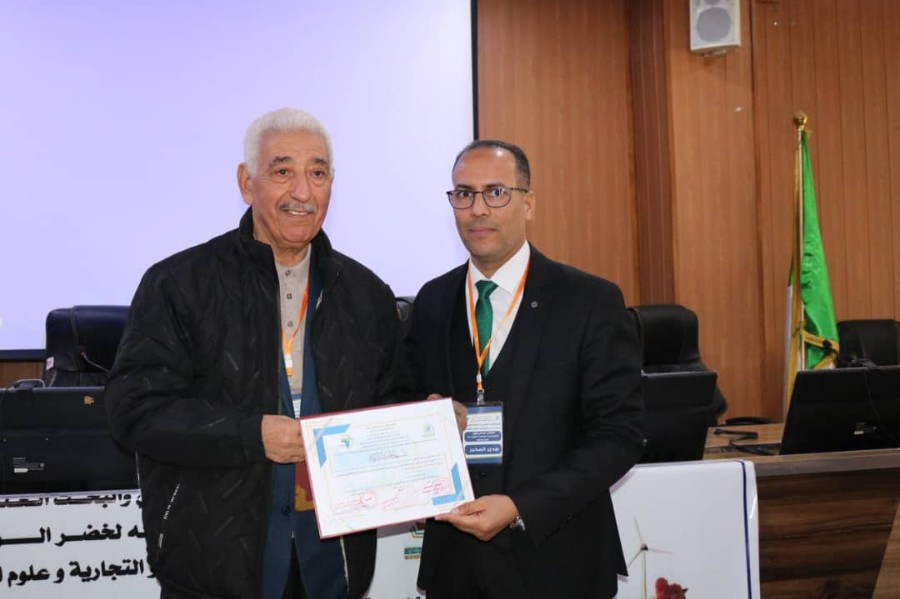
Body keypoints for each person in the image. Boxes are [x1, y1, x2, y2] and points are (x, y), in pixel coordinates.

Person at [106, 108, 412, 598]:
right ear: (246, 183)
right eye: (282, 171)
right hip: (215, 568)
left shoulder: (366, 294)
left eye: (317, 173)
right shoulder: (179, 284)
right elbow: (134, 411)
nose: (302, 192)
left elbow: (392, 402)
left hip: (331, 567)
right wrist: (251, 435)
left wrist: (427, 423)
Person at [406, 140, 644, 598]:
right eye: (464, 194)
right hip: (454, 570)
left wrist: (520, 506)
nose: (478, 209)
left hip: (559, 564)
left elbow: (620, 437)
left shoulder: (590, 301)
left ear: (528, 202)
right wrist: (424, 416)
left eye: (496, 192)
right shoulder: (432, 301)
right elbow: (408, 400)